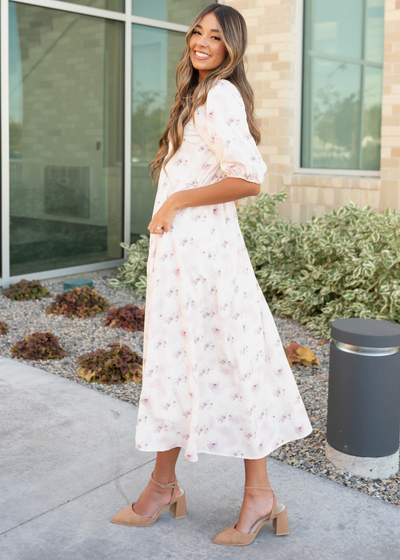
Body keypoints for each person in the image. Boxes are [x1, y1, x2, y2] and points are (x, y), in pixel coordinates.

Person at [110, 3, 313, 547]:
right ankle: (165, 486)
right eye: (197, 32)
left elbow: (248, 179)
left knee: (227, 366)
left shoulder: (220, 95)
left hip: (205, 265)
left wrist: (176, 199)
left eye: (215, 36)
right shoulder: (198, 96)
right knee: (181, 369)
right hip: (183, 262)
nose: (201, 41)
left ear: (232, 48)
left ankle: (255, 496)